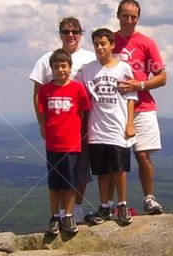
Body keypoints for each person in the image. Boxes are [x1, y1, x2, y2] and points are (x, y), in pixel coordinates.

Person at [29, 17, 96, 212]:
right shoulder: (46, 59)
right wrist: (42, 124)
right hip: (58, 128)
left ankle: (76, 209)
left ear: (81, 34)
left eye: (75, 31)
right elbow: (37, 95)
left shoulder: (90, 58)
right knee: (58, 173)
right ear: (60, 34)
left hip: (83, 122)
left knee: (82, 169)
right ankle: (60, 213)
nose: (71, 35)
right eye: (66, 31)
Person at [77, 28, 136, 226]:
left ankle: (122, 204)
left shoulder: (123, 68)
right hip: (97, 129)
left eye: (103, 43)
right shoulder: (88, 69)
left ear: (112, 45)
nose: (99, 47)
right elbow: (77, 91)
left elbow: (130, 98)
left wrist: (129, 124)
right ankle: (104, 205)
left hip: (118, 128)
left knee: (119, 169)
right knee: (102, 171)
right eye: (96, 44)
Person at [113, 0, 166, 215]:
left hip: (143, 106)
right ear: (118, 15)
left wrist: (139, 84)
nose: (129, 20)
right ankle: (115, 203)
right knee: (114, 157)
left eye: (133, 16)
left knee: (142, 154)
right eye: (125, 15)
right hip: (114, 108)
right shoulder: (109, 40)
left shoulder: (146, 43)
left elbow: (162, 77)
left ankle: (149, 198)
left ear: (138, 18)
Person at [36, 49, 91, 237]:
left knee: (69, 182)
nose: (60, 70)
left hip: (72, 144)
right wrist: (43, 127)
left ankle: (68, 215)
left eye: (64, 66)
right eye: (56, 66)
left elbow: (82, 113)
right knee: (54, 183)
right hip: (53, 144)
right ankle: (54, 216)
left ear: (70, 67)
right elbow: (43, 113)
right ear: (51, 68)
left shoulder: (77, 88)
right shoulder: (46, 90)